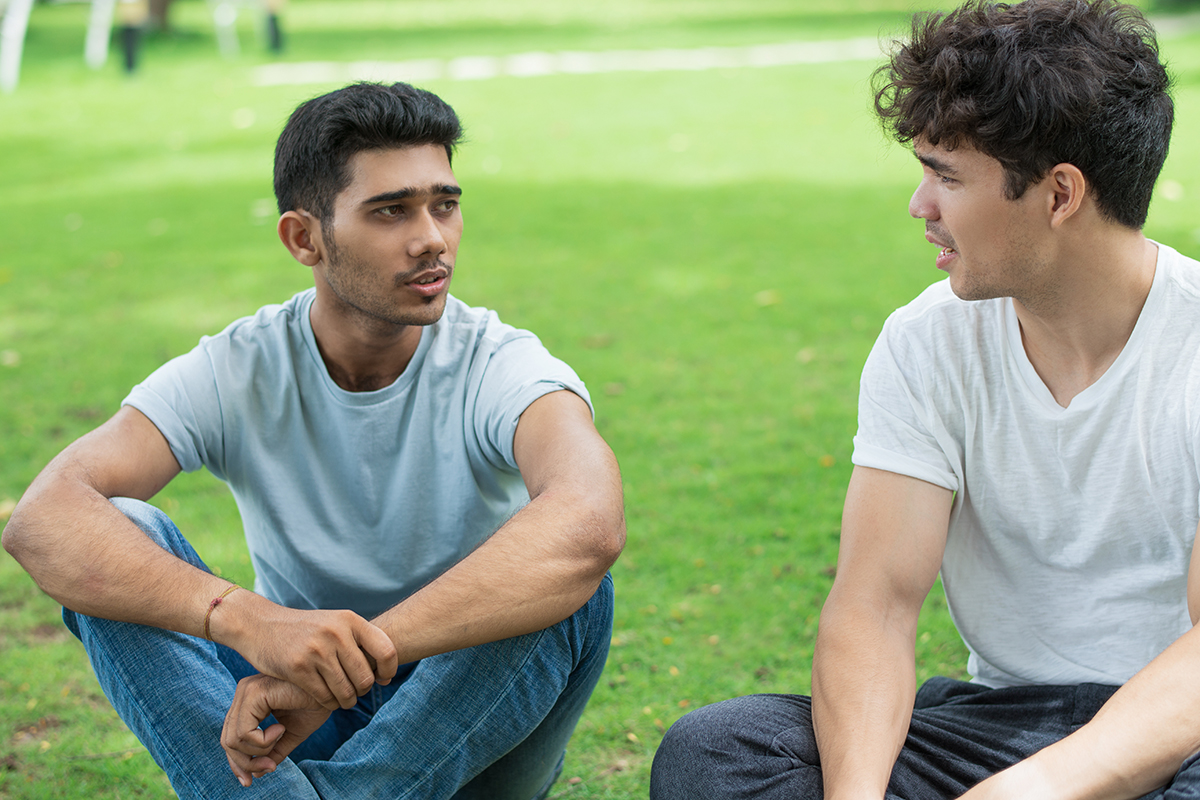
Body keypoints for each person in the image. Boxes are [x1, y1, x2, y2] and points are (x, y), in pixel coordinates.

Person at [2, 81, 625, 800]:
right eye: (391, 211)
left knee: (565, 574)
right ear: (304, 238)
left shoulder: (502, 364)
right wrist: (244, 620)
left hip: (469, 716)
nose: (432, 238)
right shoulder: (240, 366)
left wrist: (352, 666)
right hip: (284, 705)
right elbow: (42, 520)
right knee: (115, 526)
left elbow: (589, 522)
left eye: (444, 205)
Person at [650, 1, 1200, 798]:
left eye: (946, 175)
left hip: (1179, 732)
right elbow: (874, 605)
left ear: (1059, 195)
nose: (921, 206)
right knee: (720, 751)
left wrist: (1036, 789)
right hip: (1002, 722)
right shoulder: (925, 340)